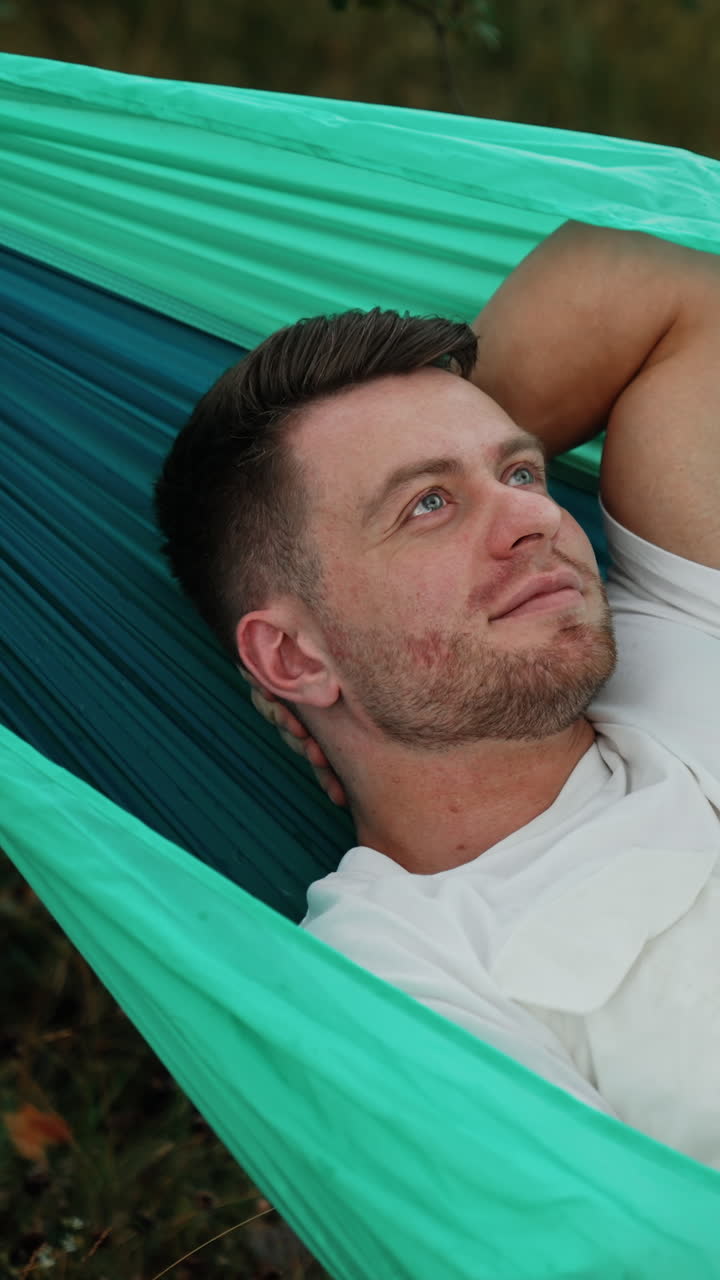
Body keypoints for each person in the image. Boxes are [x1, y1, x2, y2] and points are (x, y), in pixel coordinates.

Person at [154, 221, 720, 1168]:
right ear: (290, 659)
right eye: (427, 505)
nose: (538, 520)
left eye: (522, 470)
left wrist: (424, 464)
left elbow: (657, 291)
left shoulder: (677, 635)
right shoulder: (400, 981)